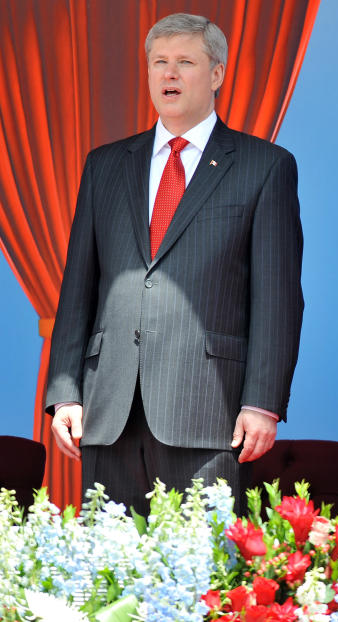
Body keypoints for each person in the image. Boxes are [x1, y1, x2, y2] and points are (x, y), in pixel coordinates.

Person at [44, 13, 304, 516]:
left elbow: (276, 298)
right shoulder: (105, 164)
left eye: (185, 62)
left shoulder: (265, 165)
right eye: (159, 63)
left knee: (202, 574)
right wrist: (65, 392)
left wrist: (262, 402)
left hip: (209, 412)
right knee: (107, 573)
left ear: (217, 74)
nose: (169, 74)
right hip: (107, 409)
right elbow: (79, 286)